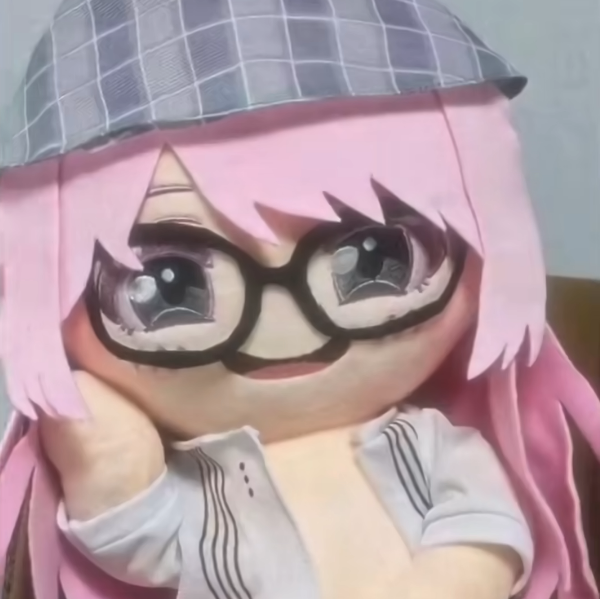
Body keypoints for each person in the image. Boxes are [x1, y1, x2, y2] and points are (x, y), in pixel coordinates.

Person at [0, 1, 599, 598]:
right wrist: (108, 449)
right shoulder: (203, 488)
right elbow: (142, 545)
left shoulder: (425, 448)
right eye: (172, 285)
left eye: (375, 260)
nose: (284, 326)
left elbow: (484, 531)